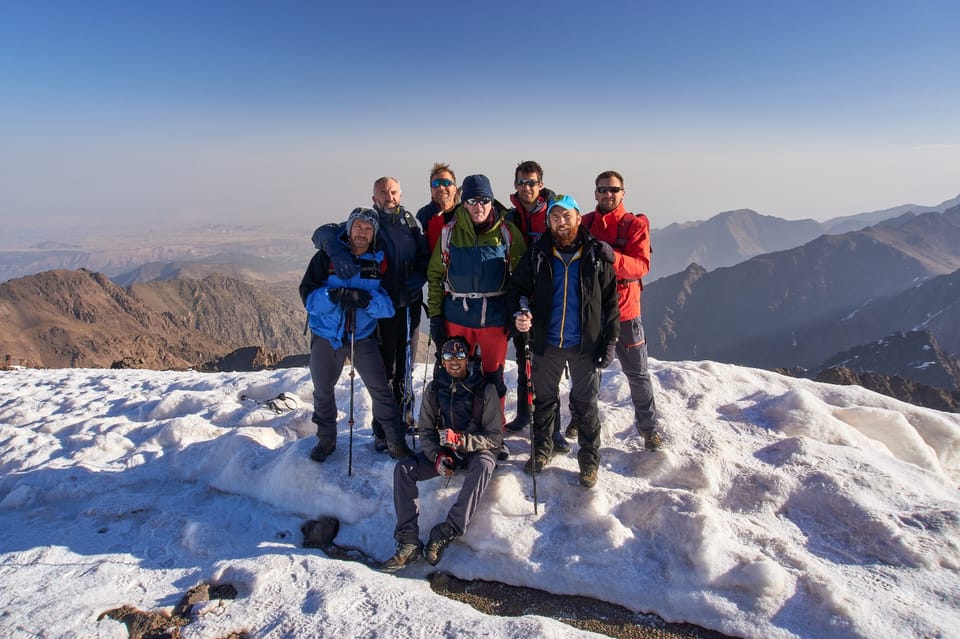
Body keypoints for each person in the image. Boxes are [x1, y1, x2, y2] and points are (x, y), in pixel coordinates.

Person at [506, 195, 620, 487]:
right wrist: (521, 310)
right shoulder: (539, 253)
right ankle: (543, 449)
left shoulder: (597, 254)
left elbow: (610, 303)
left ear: (579, 218)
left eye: (567, 216)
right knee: (544, 402)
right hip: (547, 342)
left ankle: (589, 461)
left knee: (585, 405)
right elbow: (518, 288)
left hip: (585, 345)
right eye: (555, 217)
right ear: (549, 222)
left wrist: (610, 341)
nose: (561, 222)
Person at [313, 177, 430, 449]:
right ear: (374, 197)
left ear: (400, 195)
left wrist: (420, 276)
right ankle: (382, 431)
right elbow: (322, 233)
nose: (389, 196)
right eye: (383, 193)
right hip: (377, 312)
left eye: (393, 192)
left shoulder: (410, 224)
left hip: (405, 305)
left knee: (406, 367)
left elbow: (424, 256)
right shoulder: (365, 222)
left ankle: (403, 420)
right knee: (385, 369)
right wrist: (334, 250)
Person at [299, 207, 413, 462]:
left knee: (380, 389)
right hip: (327, 336)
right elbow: (308, 299)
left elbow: (387, 307)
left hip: (362, 337)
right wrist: (334, 296)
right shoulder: (324, 260)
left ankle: (395, 441)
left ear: (374, 234)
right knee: (323, 390)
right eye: (358, 227)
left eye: (368, 229)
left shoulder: (380, 263)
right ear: (348, 229)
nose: (362, 233)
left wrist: (366, 301)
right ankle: (326, 441)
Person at [425, 174, 526, 458]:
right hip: (457, 315)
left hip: (494, 317)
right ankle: (456, 432)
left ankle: (495, 434)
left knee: (493, 377)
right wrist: (435, 316)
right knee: (456, 373)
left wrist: (517, 310)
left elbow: (521, 277)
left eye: (483, 199)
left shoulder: (507, 232)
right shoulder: (450, 232)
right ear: (464, 202)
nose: (478, 206)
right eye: (472, 200)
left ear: (491, 199)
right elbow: (435, 276)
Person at [382, 336, 502, 571]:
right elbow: (426, 430)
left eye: (459, 356)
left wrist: (462, 441)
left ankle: (448, 529)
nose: (454, 362)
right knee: (404, 469)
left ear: (468, 359)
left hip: (474, 451)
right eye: (448, 356)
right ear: (442, 361)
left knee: (485, 464)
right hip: (445, 451)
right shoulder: (435, 390)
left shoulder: (484, 390)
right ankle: (408, 540)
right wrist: (436, 455)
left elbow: (495, 437)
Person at [579, 170, 662, 450]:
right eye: (603, 189)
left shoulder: (634, 226)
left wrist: (613, 257)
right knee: (588, 373)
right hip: (591, 310)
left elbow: (641, 266)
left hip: (626, 310)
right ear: (595, 193)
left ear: (622, 193)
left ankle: (649, 429)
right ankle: (582, 421)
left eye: (613, 190)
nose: (608, 194)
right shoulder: (585, 223)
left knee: (637, 374)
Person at [501, 161, 569, 454]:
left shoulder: (553, 213)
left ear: (540, 184)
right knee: (523, 356)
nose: (526, 187)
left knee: (546, 363)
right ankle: (525, 415)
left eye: (531, 182)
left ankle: (553, 430)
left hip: (549, 298)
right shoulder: (510, 217)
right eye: (521, 182)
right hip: (518, 294)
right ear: (515, 185)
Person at [416, 163, 460, 252]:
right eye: (436, 184)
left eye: (446, 183)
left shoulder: (464, 212)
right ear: (431, 190)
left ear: (455, 188)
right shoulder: (424, 215)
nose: (441, 187)